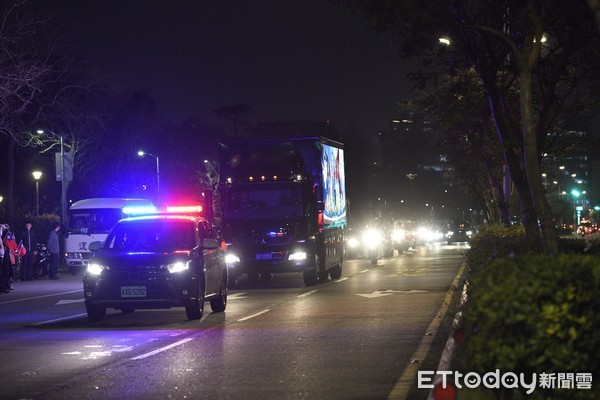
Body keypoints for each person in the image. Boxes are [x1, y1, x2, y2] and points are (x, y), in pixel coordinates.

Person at [1, 224, 14, 292]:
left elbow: (11, 243)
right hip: (3, 255)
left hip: (7, 255)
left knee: (8, 271)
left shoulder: (8, 235)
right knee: (4, 271)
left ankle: (8, 285)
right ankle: (4, 286)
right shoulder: (3, 236)